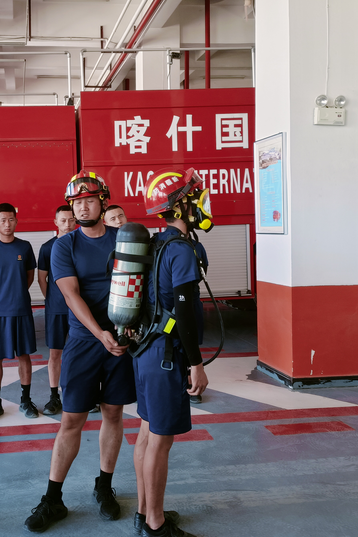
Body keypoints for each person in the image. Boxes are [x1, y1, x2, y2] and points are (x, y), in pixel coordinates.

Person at [24, 171, 135, 533]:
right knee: (71, 419)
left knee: (113, 414)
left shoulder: (124, 238)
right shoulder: (64, 245)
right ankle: (53, 498)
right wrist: (100, 332)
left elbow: (139, 284)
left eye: (89, 200)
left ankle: (104, 486)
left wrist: (127, 329)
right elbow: (71, 295)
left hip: (120, 341)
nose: (82, 207)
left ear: (103, 202)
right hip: (85, 343)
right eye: (76, 202)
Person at [132, 168, 211, 537]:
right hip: (167, 355)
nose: (201, 202)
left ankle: (144, 510)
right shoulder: (180, 250)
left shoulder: (155, 243)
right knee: (160, 442)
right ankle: (156, 524)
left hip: (147, 352)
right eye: (195, 197)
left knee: (147, 434)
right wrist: (196, 364)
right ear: (181, 205)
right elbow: (183, 313)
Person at [0, 203, 38, 422]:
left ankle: (26, 399)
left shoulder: (24, 247)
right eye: (2, 220)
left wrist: (17, 293)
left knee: (24, 355)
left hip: (21, 309)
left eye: (11, 219)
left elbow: (29, 276)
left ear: (16, 221)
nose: (7, 223)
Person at [36, 205, 75, 415]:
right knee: (55, 353)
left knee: (82, 352)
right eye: (63, 220)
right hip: (56, 309)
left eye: (71, 220)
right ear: (56, 222)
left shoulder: (81, 244)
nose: (67, 224)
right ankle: (54, 397)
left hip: (80, 309)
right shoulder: (47, 247)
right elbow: (42, 278)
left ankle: (82, 394)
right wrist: (52, 299)